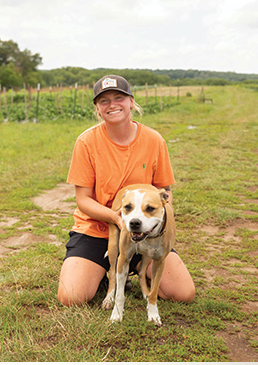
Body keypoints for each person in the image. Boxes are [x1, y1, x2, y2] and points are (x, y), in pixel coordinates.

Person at [57, 74, 196, 307]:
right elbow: (83, 200)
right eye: (104, 101)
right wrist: (115, 217)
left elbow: (165, 192)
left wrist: (154, 225)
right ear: (97, 109)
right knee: (71, 297)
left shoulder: (154, 140)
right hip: (98, 229)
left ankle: (139, 264)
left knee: (183, 293)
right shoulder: (86, 142)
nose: (112, 104)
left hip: (145, 232)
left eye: (118, 97)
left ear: (131, 102)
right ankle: (106, 272)